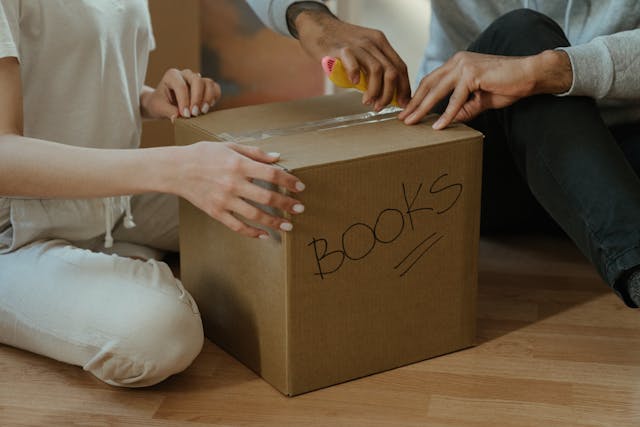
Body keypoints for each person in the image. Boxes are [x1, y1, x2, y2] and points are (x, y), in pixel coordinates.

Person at [0, 0, 308, 387]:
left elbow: (75, 70)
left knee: (269, 205)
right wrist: (177, 169)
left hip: (114, 201)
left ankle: (109, 258)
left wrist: (149, 99)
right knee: (161, 333)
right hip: (13, 232)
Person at [254, 0, 640, 308]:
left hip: (620, 162)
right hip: (486, 163)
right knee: (520, 30)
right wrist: (309, 16)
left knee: (531, 48)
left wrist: (550, 69)